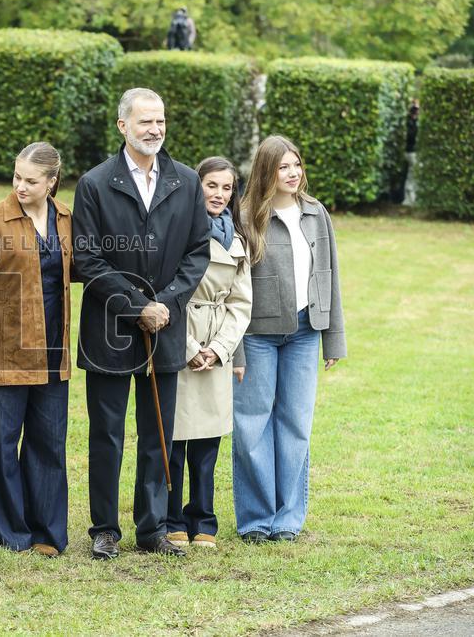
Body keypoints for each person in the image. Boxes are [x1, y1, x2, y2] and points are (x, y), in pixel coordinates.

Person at [73, 88, 211, 559]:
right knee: (106, 433)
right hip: (109, 329)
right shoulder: (94, 183)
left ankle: (151, 528)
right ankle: (105, 529)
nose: (155, 129)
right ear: (122, 126)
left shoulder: (186, 181)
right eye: (145, 122)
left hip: (166, 328)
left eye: (161, 121)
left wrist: (166, 304)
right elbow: (87, 259)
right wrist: (136, 306)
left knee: (157, 432)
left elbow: (198, 253)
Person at [233, 135, 346, 544]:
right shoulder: (246, 218)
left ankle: (287, 519)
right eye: (283, 167)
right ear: (267, 171)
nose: (293, 173)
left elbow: (329, 278)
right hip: (257, 335)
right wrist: (237, 349)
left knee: (295, 424)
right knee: (251, 426)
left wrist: (332, 340)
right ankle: (255, 520)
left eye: (296, 164)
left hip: (304, 333)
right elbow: (233, 290)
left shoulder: (316, 214)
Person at [0, 142, 74, 557]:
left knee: (49, 442)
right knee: (0, 443)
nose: (21, 187)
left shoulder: (65, 218)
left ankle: (47, 531)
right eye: (17, 178)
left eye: (31, 180)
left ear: (52, 182)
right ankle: (5, 532)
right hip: (3, 350)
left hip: (51, 349)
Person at [165, 157, 252, 549]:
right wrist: (187, 348)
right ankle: (171, 517)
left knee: (208, 441)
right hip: (181, 340)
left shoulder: (237, 239)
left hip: (217, 345)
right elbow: (165, 293)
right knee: (176, 438)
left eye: (227, 188)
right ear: (195, 185)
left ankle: (204, 518)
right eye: (211, 185)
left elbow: (240, 303)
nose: (219, 194)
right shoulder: (176, 230)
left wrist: (219, 350)